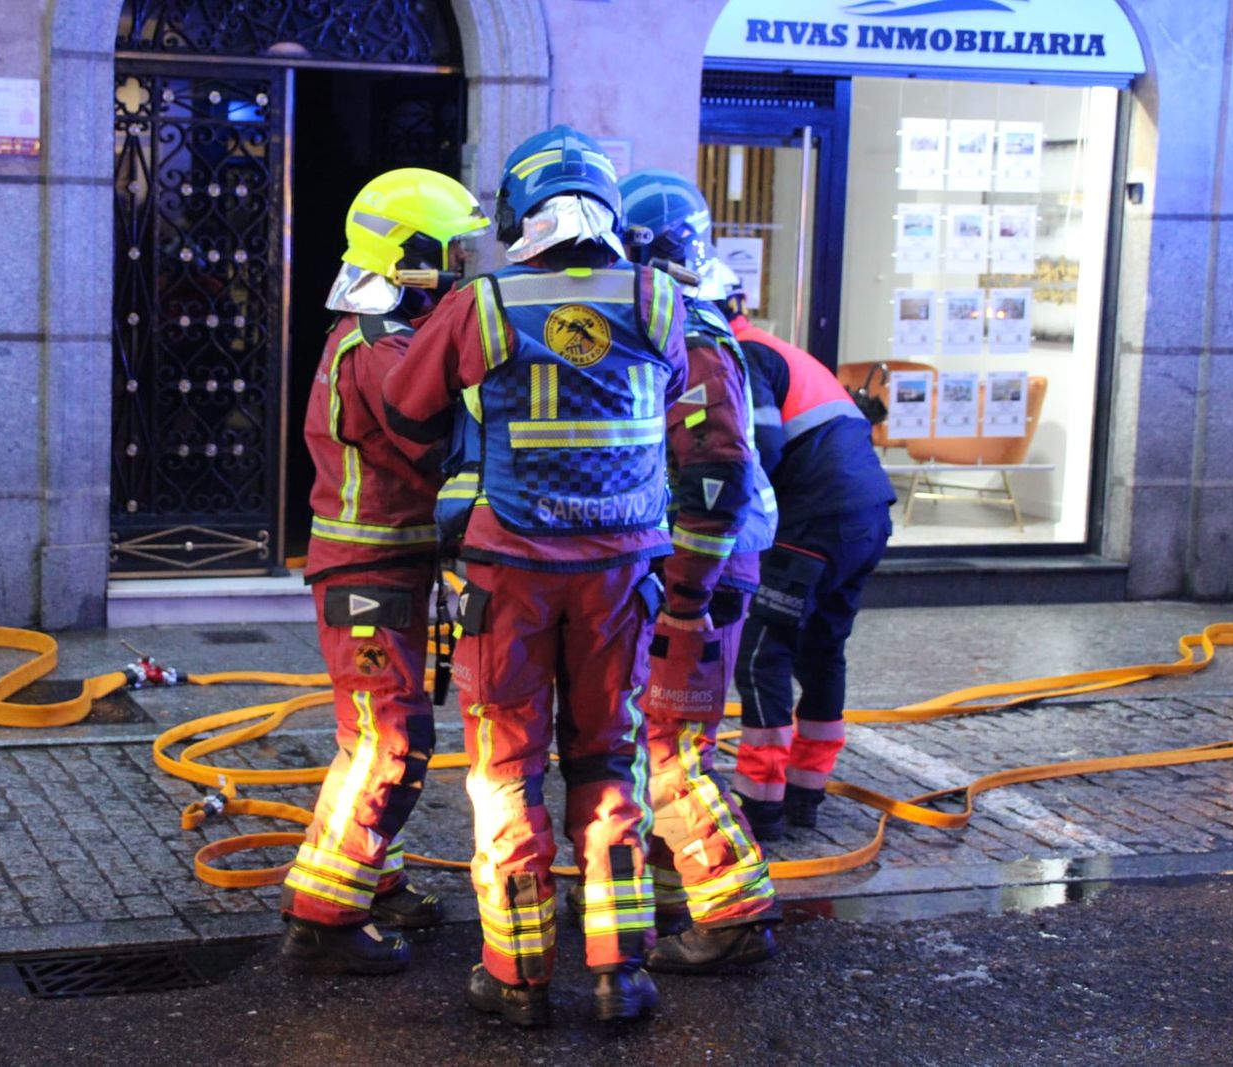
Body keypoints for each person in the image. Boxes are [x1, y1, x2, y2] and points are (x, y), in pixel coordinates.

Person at [383, 125, 685, 1026]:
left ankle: (516, 978)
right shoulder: (658, 297)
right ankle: (620, 971)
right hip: (623, 573)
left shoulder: (482, 306)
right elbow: (665, 399)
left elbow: (406, 405)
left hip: (508, 570)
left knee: (507, 767)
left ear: (521, 212)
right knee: (607, 760)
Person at [280, 168, 489, 974]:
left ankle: (373, 876)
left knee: (382, 734)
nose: (462, 270)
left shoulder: (372, 337)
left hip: (377, 568)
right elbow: (433, 442)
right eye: (452, 253)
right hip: (368, 572)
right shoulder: (383, 350)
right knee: (388, 743)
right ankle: (324, 918)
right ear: (412, 256)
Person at [615, 169, 782, 973]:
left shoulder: (698, 343)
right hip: (697, 570)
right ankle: (678, 876)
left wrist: (683, 596)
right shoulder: (690, 325)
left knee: (672, 743)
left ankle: (734, 909)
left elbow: (714, 477)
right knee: (663, 738)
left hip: (704, 576)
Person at [716, 278, 897, 840]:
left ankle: (761, 804)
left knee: (761, 654)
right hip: (867, 515)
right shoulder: (781, 351)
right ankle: (806, 792)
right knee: (822, 650)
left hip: (812, 522)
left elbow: (760, 451)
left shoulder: (744, 356)